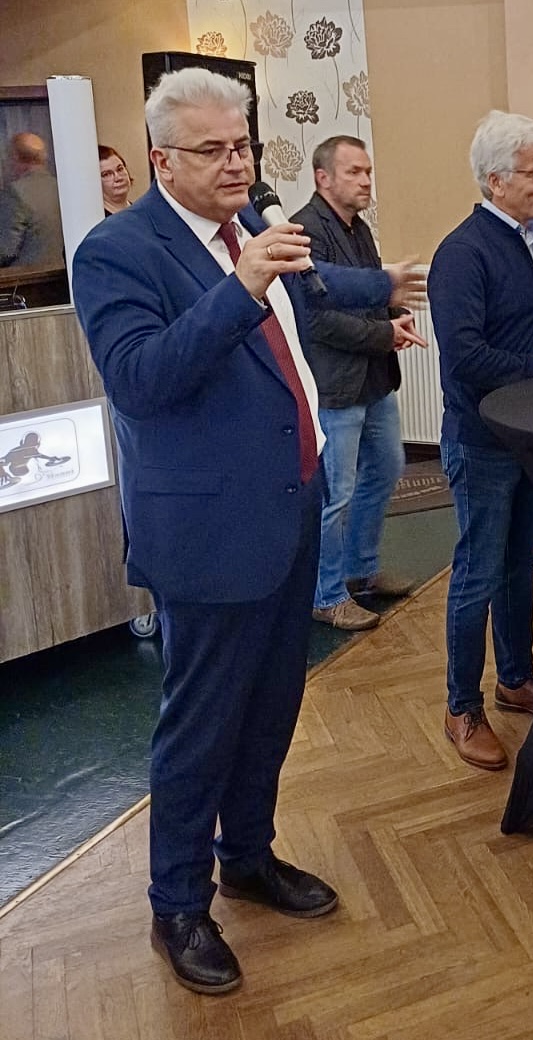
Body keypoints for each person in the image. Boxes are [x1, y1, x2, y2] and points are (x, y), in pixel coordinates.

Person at [71, 67, 421, 995]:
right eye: (213, 150)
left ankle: (249, 857)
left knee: (270, 707)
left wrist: (384, 282)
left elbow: (313, 290)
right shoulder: (117, 252)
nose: (237, 164)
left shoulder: (248, 230)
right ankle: (178, 904)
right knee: (202, 725)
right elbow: (141, 381)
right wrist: (241, 285)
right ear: (162, 161)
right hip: (208, 530)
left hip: (289, 504)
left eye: (244, 146)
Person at [428, 110, 533, 771]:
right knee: (478, 573)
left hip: (528, 438)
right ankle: (462, 707)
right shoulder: (463, 254)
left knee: (520, 565)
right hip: (481, 441)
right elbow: (463, 358)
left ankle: (515, 679)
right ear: (496, 180)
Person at [292, 135, 427, 631]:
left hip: (373, 379)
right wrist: (383, 333)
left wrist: (394, 316)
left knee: (386, 470)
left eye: (368, 171)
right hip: (336, 387)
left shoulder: (359, 228)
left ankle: (361, 571)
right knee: (336, 494)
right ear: (322, 178)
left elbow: (368, 294)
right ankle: (326, 595)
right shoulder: (305, 231)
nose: (366, 181)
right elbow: (316, 320)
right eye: (354, 172)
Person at [0, 132, 64, 268]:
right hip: (61, 272)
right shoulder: (60, 188)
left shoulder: (15, 193)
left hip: (24, 277)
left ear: (15, 157)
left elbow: (5, 251)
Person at [98, 144, 134, 216]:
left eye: (120, 169)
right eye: (106, 174)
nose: (118, 178)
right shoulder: (99, 219)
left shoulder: (142, 212)